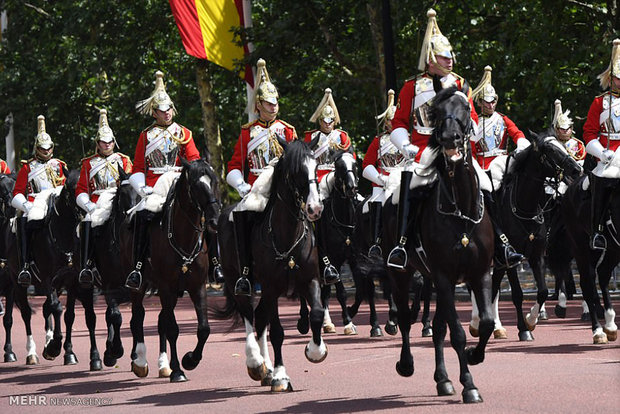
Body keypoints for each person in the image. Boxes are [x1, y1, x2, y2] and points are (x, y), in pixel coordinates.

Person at [386, 8, 480, 269]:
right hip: (422, 151)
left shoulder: (462, 85)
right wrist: (404, 146)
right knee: (400, 192)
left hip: (456, 149)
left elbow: (470, 119)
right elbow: (399, 122)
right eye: (443, 56)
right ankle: (402, 245)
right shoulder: (412, 87)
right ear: (430, 58)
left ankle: (501, 243)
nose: (450, 60)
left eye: (450, 56)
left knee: (487, 185)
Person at [226, 58, 298, 296]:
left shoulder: (287, 130)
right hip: (257, 188)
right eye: (268, 103)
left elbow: (297, 161)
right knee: (241, 216)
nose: (274, 107)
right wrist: (241, 186)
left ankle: (318, 262)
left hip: (283, 187)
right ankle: (246, 272)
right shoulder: (248, 133)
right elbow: (235, 165)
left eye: (275, 103)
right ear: (258, 105)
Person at [125, 70, 201, 291]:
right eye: (161, 110)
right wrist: (142, 188)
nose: (166, 113)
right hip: (155, 187)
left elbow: (194, 160)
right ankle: (138, 268)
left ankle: (213, 263)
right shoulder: (145, 136)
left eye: (169, 109)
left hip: (180, 181)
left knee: (206, 209)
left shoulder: (184, 133)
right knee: (142, 214)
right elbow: (138, 167)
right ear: (154, 113)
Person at [469, 65, 525, 268]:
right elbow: (472, 150)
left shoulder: (503, 119)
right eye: (486, 101)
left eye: (493, 101)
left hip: (504, 162)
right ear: (480, 102)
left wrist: (521, 145)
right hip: (484, 166)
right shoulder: (475, 122)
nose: (491, 105)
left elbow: (517, 134)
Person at [75, 109, 133, 287]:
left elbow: (129, 183)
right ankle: (87, 265)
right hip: (97, 204)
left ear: (114, 142)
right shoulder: (88, 163)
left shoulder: (123, 160)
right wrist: (88, 206)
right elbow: (81, 189)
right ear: (97, 143)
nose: (107, 145)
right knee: (88, 221)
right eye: (103, 142)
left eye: (109, 142)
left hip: (118, 200)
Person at [303, 88, 353, 284]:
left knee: (354, 200)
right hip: (319, 178)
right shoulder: (310, 137)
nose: (328, 124)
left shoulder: (342, 136)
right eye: (324, 121)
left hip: (338, 175)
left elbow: (350, 157)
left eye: (331, 121)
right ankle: (320, 245)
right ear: (319, 121)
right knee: (317, 206)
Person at [11, 115, 67, 286]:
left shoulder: (59, 165)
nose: (46, 151)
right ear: (37, 148)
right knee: (23, 221)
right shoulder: (27, 167)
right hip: (35, 205)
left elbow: (65, 187)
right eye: (43, 148)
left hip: (55, 203)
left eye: (49, 148)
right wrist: (27, 206)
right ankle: (26, 265)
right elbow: (17, 193)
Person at [583, 38, 620, 250]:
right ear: (611, 78)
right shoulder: (600, 102)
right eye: (618, 79)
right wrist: (600, 152)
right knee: (601, 182)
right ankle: (596, 231)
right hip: (608, 156)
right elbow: (588, 132)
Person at [361, 89, 404, 258]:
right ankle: (376, 242)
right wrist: (379, 178)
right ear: (386, 123)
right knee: (377, 202)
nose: (393, 124)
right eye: (391, 121)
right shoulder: (379, 141)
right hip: (383, 180)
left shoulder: (406, 138)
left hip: (403, 178)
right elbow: (366, 164)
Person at [552, 99, 586, 164]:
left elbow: (582, 158)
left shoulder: (578, 144)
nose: (565, 131)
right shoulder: (552, 144)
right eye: (562, 129)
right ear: (557, 129)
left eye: (567, 128)